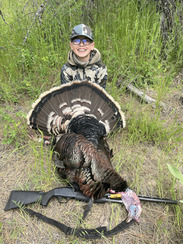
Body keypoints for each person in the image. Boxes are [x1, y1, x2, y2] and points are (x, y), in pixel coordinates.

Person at [61, 23, 107, 89]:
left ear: (92, 46)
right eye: (76, 41)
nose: (81, 45)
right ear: (71, 45)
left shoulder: (101, 69)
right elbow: (66, 95)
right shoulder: (66, 69)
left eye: (86, 41)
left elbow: (100, 96)